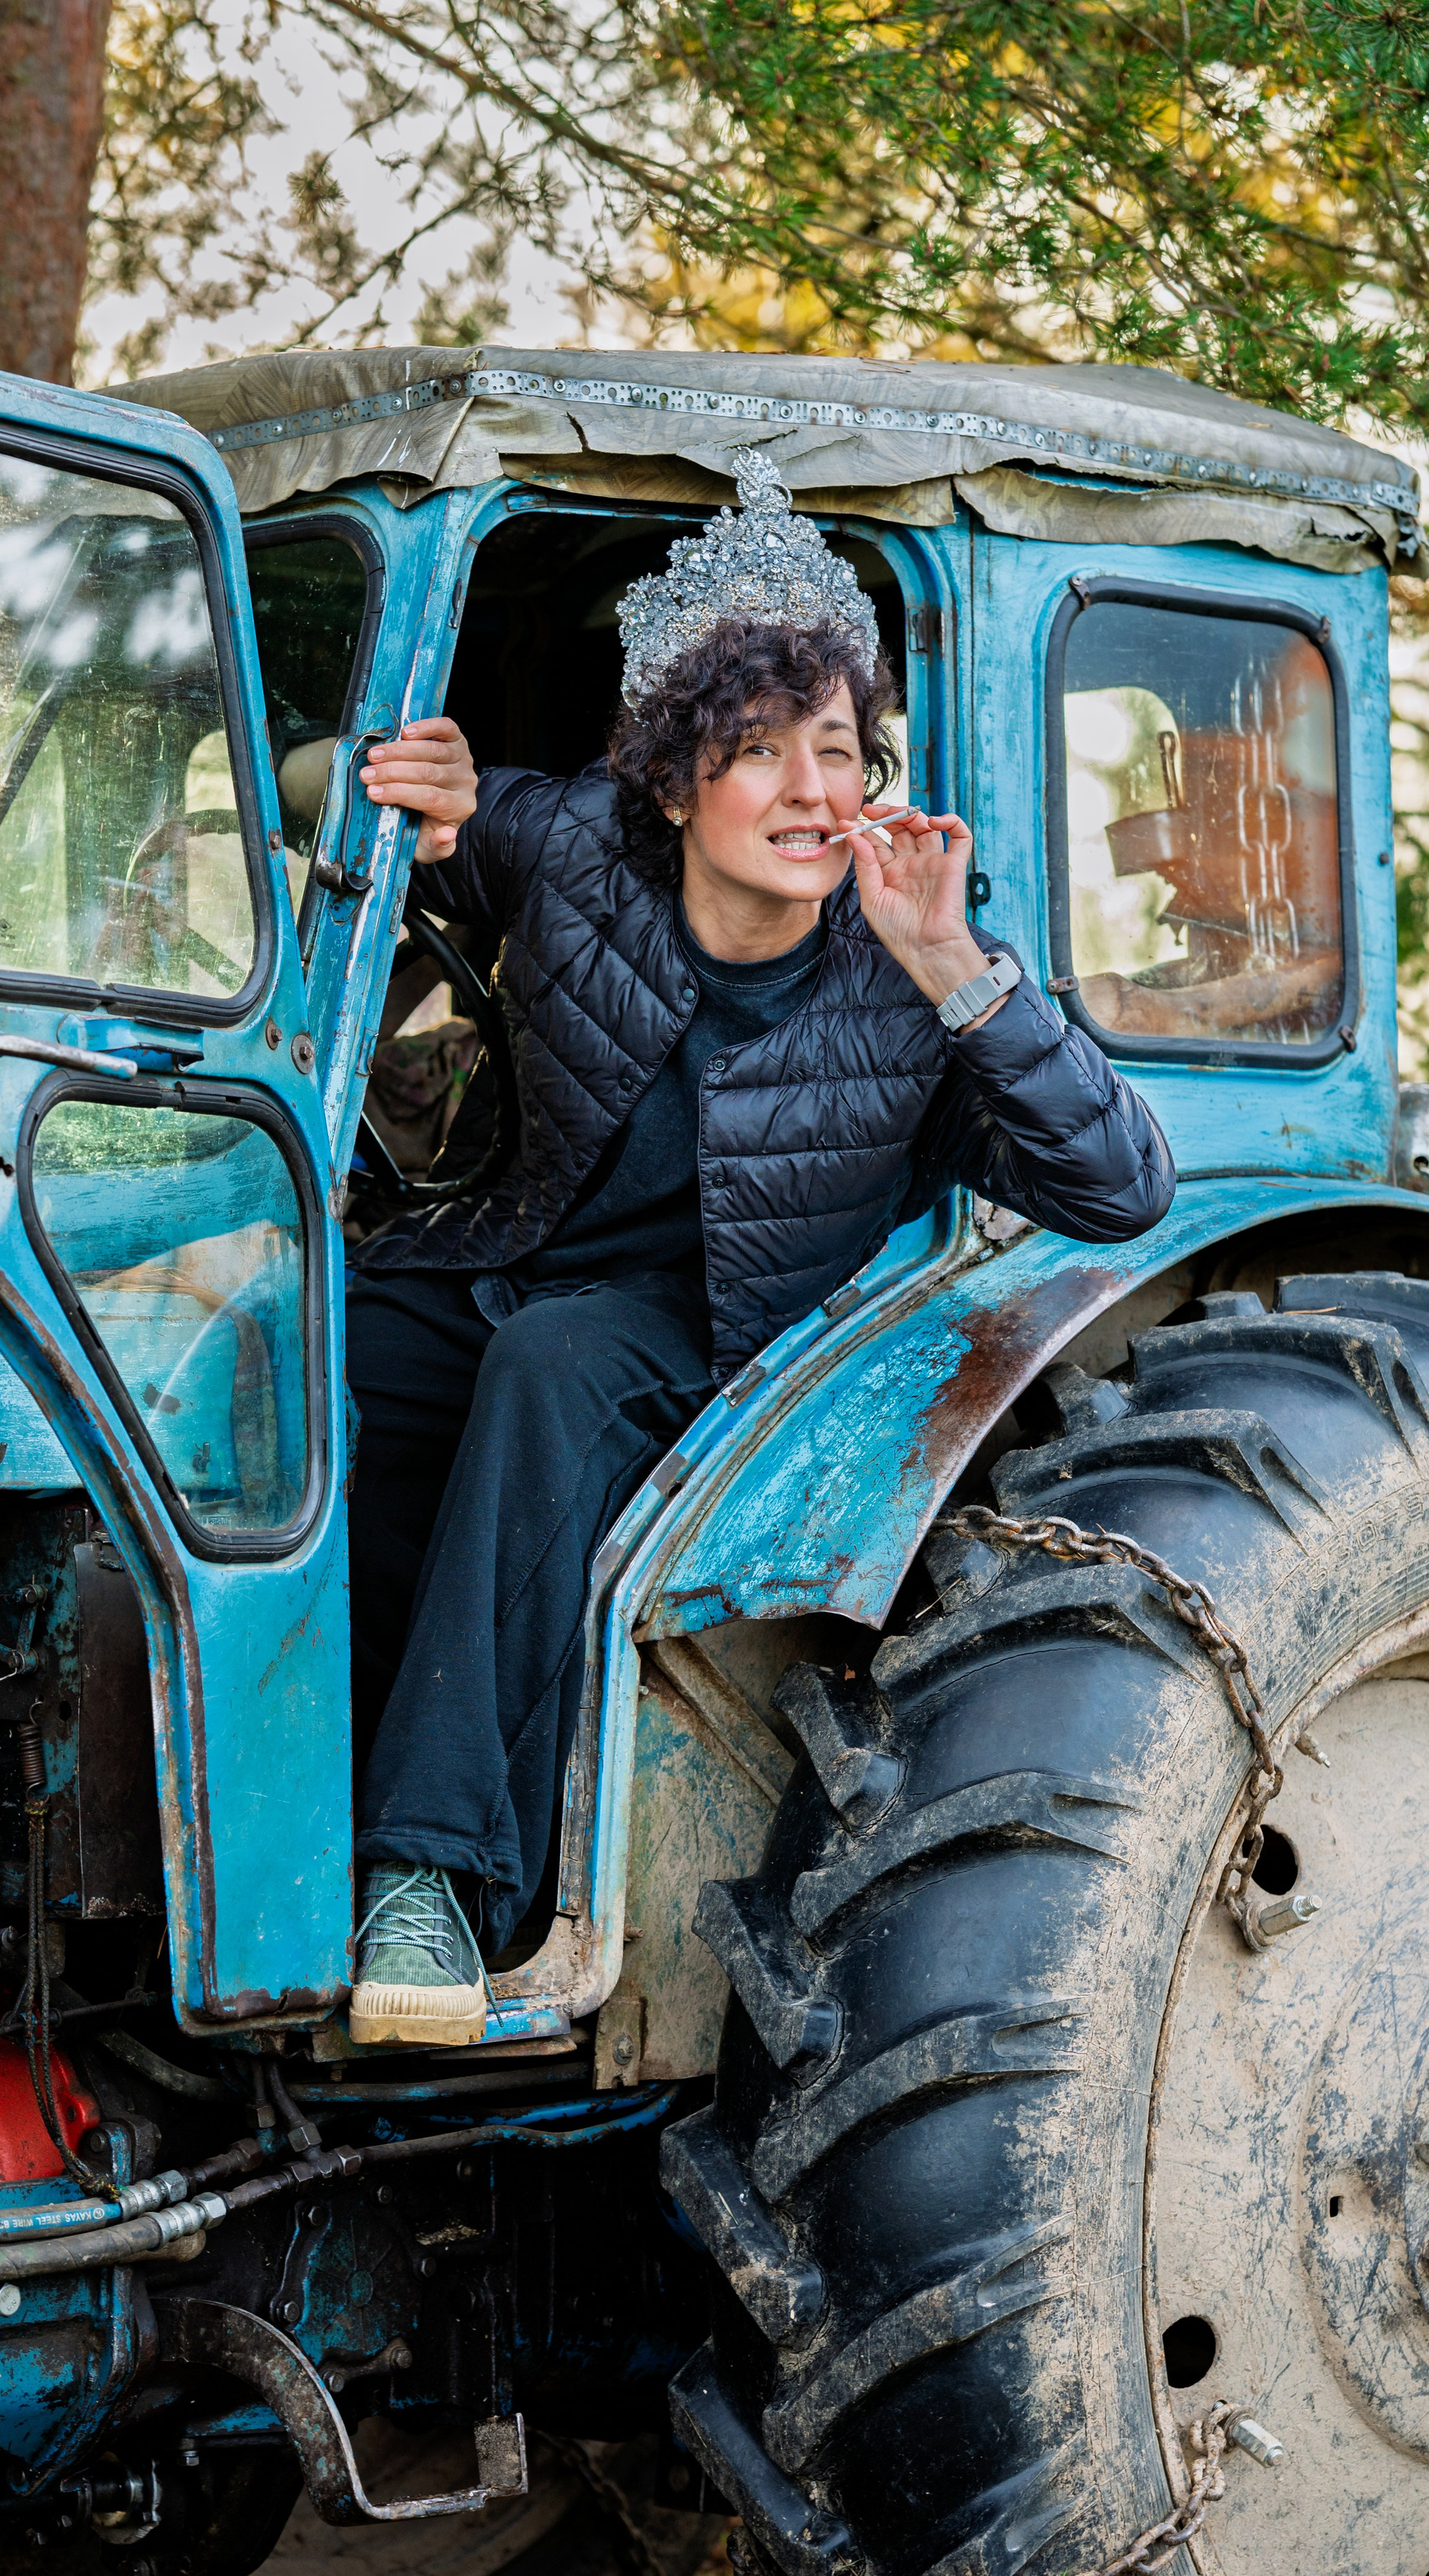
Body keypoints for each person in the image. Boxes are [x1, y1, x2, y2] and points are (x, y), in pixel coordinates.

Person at [337, 453, 1176, 2046]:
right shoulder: (579, 845)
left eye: (838, 751)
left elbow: (1121, 1186)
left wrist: (955, 971)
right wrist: (433, 791)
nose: (810, 789)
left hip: (732, 1331)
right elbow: (457, 804)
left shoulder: (919, 967)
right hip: (509, 1255)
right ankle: (293, 1797)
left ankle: (434, 1880)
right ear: (671, 784)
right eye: (757, 751)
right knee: (321, 1357)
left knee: (551, 1371)